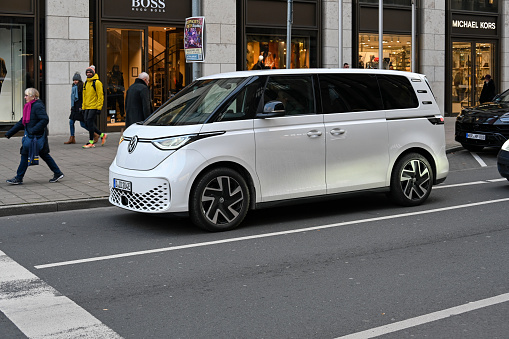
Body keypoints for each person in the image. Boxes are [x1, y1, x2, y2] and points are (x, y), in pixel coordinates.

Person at [4, 88, 64, 185]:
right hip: (34, 136)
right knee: (44, 154)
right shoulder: (29, 107)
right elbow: (22, 122)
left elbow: (45, 119)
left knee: (25, 154)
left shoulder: (37, 106)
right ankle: (57, 173)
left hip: (36, 137)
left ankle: (19, 178)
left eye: (27, 95)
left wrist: (33, 130)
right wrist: (10, 133)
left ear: (33, 96)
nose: (25, 97)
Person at [82, 65, 107, 148]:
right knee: (87, 122)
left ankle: (91, 141)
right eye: (87, 72)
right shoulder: (85, 83)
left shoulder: (97, 83)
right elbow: (84, 96)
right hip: (87, 106)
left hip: (94, 106)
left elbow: (100, 96)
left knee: (89, 122)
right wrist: (83, 107)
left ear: (93, 73)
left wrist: (99, 107)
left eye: (90, 72)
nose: (88, 74)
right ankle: (102, 134)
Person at [64, 72, 89, 144]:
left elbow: (84, 98)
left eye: (76, 80)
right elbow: (72, 99)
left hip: (80, 107)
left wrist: (82, 107)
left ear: (79, 80)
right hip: (74, 107)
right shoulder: (74, 87)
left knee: (82, 124)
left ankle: (94, 133)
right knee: (71, 122)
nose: (75, 81)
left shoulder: (82, 87)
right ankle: (72, 138)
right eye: (74, 80)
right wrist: (72, 106)